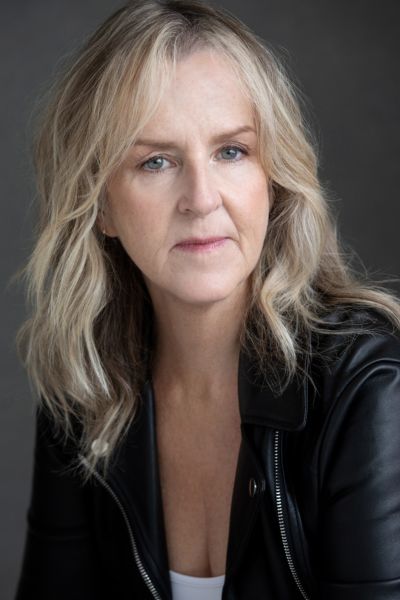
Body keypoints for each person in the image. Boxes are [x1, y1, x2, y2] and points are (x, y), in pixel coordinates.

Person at [14, 1, 400, 599]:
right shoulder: (84, 389)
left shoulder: (367, 386)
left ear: (272, 178)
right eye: (156, 161)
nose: (201, 198)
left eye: (231, 152)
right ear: (101, 205)